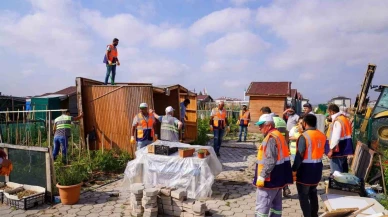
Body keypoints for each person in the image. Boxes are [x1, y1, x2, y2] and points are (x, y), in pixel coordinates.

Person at [253, 114, 293, 217]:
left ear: (269, 125)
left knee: (262, 206)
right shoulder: (278, 135)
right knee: (276, 206)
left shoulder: (271, 138)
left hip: (269, 180)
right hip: (278, 178)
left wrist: (262, 176)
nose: (259, 128)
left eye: (261, 125)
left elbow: (271, 160)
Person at [292, 114, 326, 217]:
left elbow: (300, 155)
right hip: (317, 169)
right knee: (313, 193)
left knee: (303, 196)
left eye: (301, 123)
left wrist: (293, 169)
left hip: (305, 171)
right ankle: (314, 214)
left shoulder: (304, 136)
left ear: (305, 123)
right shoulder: (321, 135)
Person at [259, 107, 291, 197]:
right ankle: (286, 188)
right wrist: (285, 143)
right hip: (282, 146)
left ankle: (283, 188)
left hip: (273, 150)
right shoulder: (281, 120)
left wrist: (262, 176)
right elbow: (287, 133)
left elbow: (270, 138)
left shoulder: (271, 122)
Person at [325, 104, 354, 174]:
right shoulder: (344, 119)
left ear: (332, 112)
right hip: (344, 147)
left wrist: (331, 150)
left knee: (336, 173)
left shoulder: (337, 121)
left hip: (337, 150)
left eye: (328, 112)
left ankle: (338, 184)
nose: (328, 115)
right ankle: (344, 184)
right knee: (343, 170)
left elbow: (335, 137)